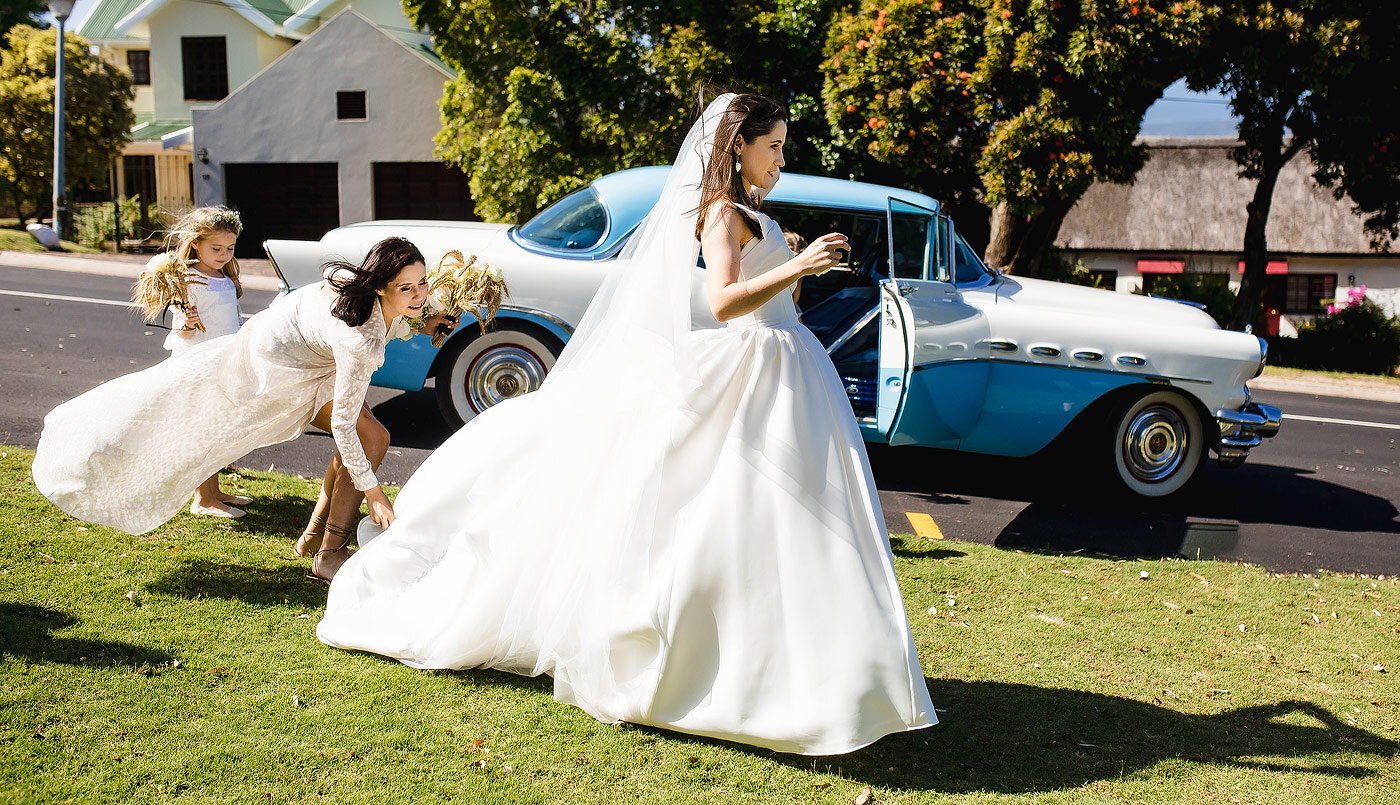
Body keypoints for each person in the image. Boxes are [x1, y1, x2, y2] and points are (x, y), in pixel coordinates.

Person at [317, 93, 937, 756]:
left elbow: (773, 295)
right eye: (773, 146)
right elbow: (725, 301)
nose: (782, 159)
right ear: (738, 147)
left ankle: (815, 669)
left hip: (790, 366)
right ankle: (730, 668)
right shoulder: (722, 213)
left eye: (783, 146)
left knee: (794, 520)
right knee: (729, 513)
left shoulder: (758, 212)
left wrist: (801, 271)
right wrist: (798, 263)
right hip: (755, 365)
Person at [32, 237, 455, 582]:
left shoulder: (355, 283)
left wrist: (421, 319)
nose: (419, 294)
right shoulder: (357, 342)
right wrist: (375, 494)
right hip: (278, 368)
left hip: (284, 343)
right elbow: (344, 422)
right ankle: (329, 554)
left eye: (422, 284)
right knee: (369, 436)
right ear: (380, 285)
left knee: (368, 437)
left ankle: (314, 539)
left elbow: (385, 317)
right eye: (407, 288)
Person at [132, 205, 249, 519]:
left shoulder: (223, 274)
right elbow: (182, 332)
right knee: (203, 430)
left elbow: (230, 318)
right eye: (216, 248)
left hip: (224, 359)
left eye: (230, 248)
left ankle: (214, 490)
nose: (224, 254)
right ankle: (203, 499)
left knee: (218, 429)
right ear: (195, 243)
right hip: (200, 363)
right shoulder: (187, 278)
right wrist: (186, 322)